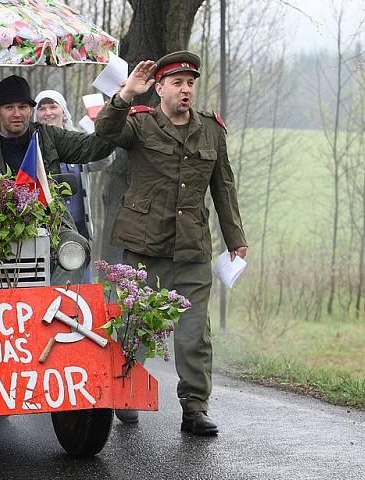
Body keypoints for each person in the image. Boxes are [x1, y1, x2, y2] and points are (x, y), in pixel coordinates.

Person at [94, 51, 248, 436]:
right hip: (145, 246)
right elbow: (105, 132)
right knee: (136, 325)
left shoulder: (210, 129)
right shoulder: (140, 124)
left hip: (192, 247)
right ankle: (127, 391)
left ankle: (194, 408)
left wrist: (235, 239)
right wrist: (126, 94)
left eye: (190, 83)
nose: (186, 90)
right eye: (177, 83)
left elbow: (223, 186)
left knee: (194, 332)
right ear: (159, 87)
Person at [0, 75, 116, 284]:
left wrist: (117, 106)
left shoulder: (48, 136)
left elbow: (97, 147)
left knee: (76, 245)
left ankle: (55, 308)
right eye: (9, 107)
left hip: (49, 224)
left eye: (22, 107)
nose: (16, 114)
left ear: (30, 110)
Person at [34, 90, 114, 282]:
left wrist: (97, 128)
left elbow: (104, 161)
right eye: (42, 108)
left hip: (79, 229)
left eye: (53, 106)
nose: (48, 112)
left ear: (64, 111)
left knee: (81, 286)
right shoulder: (32, 144)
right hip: (47, 230)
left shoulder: (76, 140)